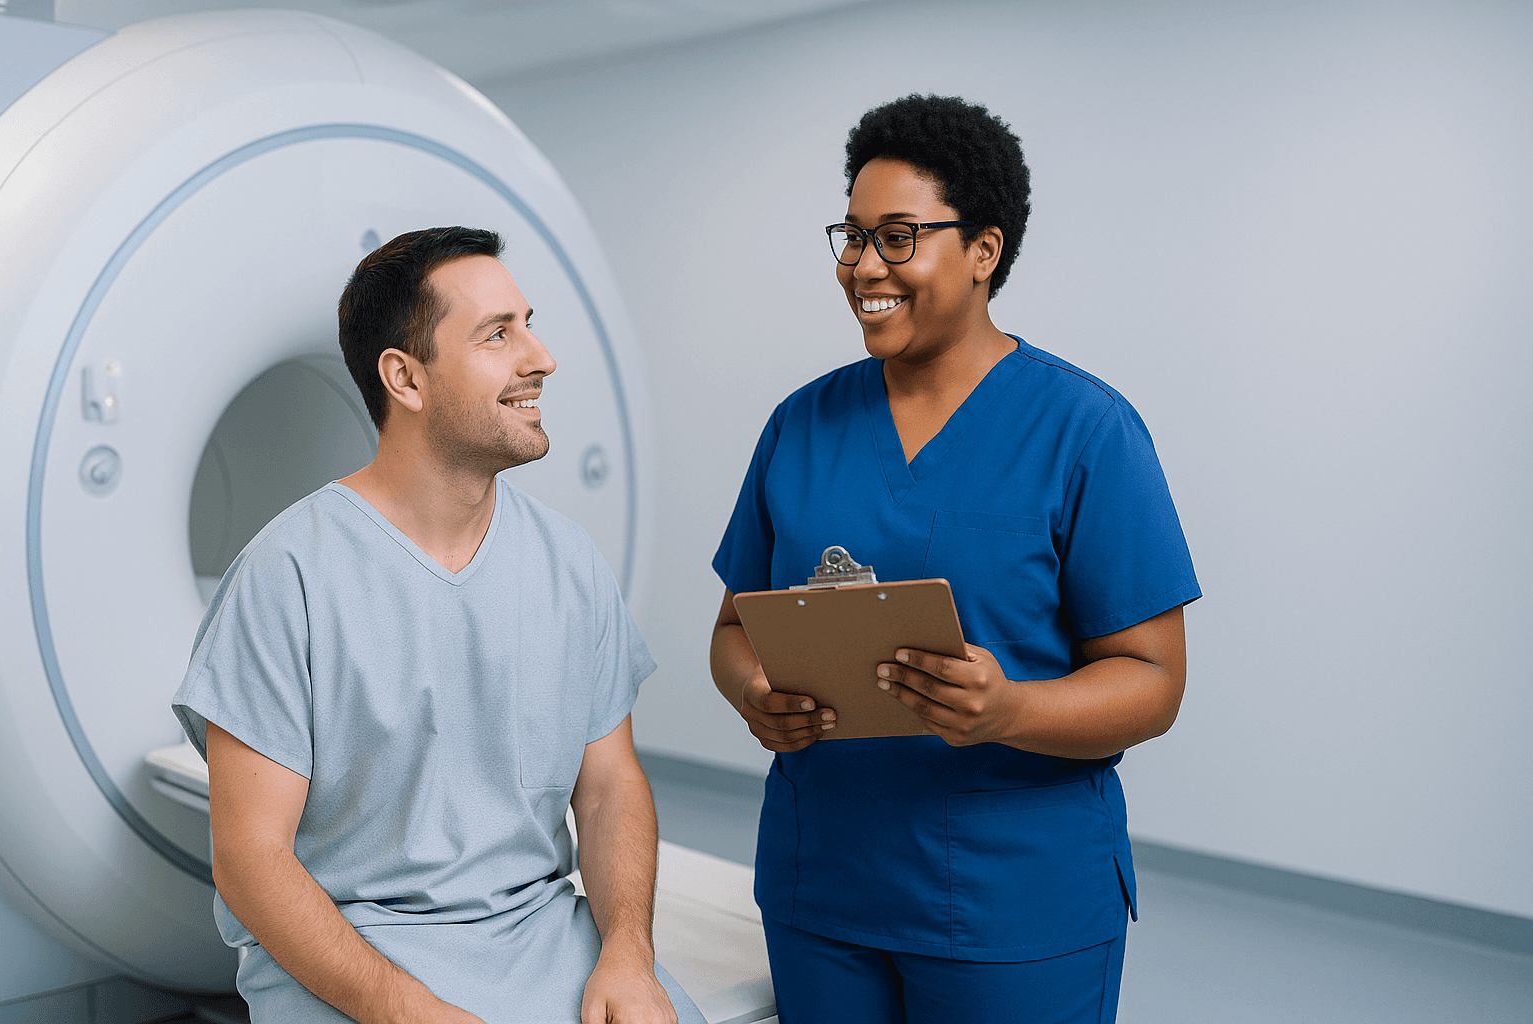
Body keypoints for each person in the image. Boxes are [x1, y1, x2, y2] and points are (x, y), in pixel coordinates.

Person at [710, 95, 1201, 1022]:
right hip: (825, 890)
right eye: (851, 238)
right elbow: (736, 630)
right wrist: (754, 695)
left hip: (1013, 903)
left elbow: (1153, 681)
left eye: (899, 238)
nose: (864, 267)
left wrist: (1009, 707)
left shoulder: (1085, 431)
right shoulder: (800, 425)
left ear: (985, 250)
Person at [172, 227, 703, 1024]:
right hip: (354, 954)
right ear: (405, 379)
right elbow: (251, 859)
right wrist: (406, 1009)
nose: (542, 357)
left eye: (529, 322)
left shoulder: (568, 562)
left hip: (540, 934)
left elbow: (608, 790)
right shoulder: (289, 574)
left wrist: (628, 954)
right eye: (499, 335)